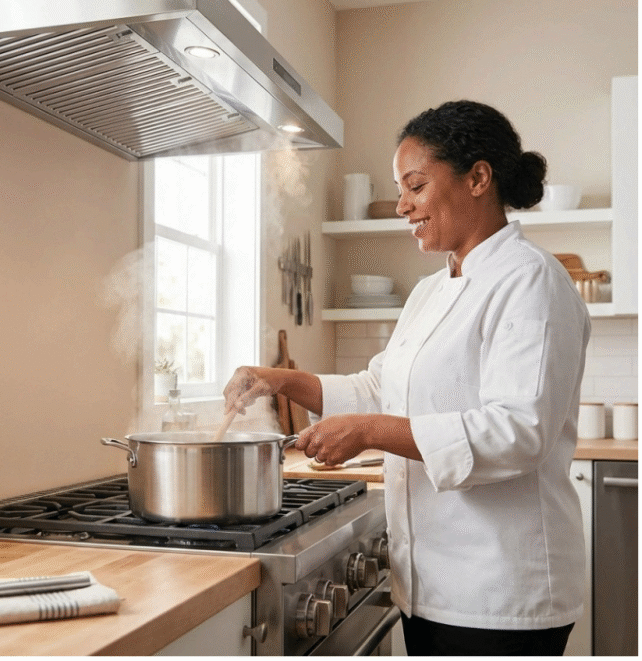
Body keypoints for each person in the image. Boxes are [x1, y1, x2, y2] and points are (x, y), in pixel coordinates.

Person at [223, 100, 590, 656]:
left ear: (478, 178)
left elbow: (519, 431)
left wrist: (369, 430)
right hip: (430, 584)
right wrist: (280, 379)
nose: (402, 205)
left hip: (501, 591)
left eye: (415, 186)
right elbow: (378, 388)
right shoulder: (429, 291)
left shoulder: (531, 281)